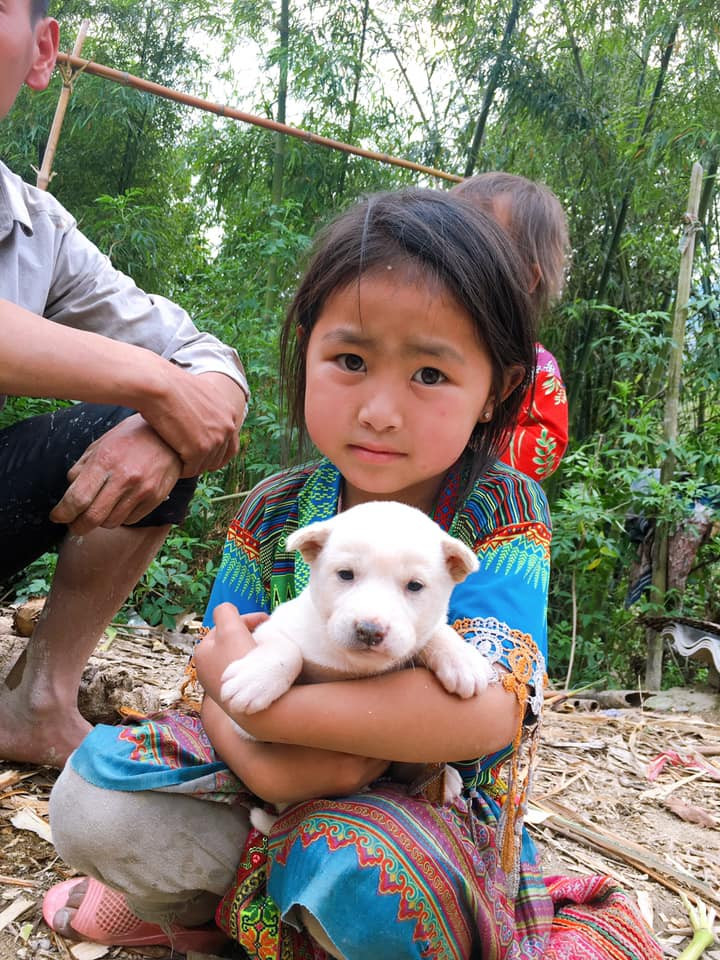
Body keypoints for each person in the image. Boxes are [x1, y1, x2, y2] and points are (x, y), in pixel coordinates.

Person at [43, 188, 661, 960]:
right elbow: (217, 672)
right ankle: (202, 917)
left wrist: (283, 722)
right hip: (259, 783)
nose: (379, 410)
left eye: (430, 374)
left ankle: (313, 926)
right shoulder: (276, 513)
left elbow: (484, 711)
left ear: (497, 392)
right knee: (94, 799)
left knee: (362, 866)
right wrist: (266, 759)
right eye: (351, 360)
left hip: (421, 816)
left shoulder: (500, 512)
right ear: (307, 352)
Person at [0, 0, 249, 767]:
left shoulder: (36, 227)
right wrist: (157, 387)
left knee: (151, 428)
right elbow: (164, 373)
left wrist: (165, 412)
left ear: (43, 52)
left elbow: (205, 357)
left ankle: (38, 705)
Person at [451, 172, 570, 482]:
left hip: (477, 506)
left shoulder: (534, 367)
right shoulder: (410, 337)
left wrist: (459, 445)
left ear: (525, 279)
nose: (450, 259)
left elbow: (546, 444)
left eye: (474, 247)